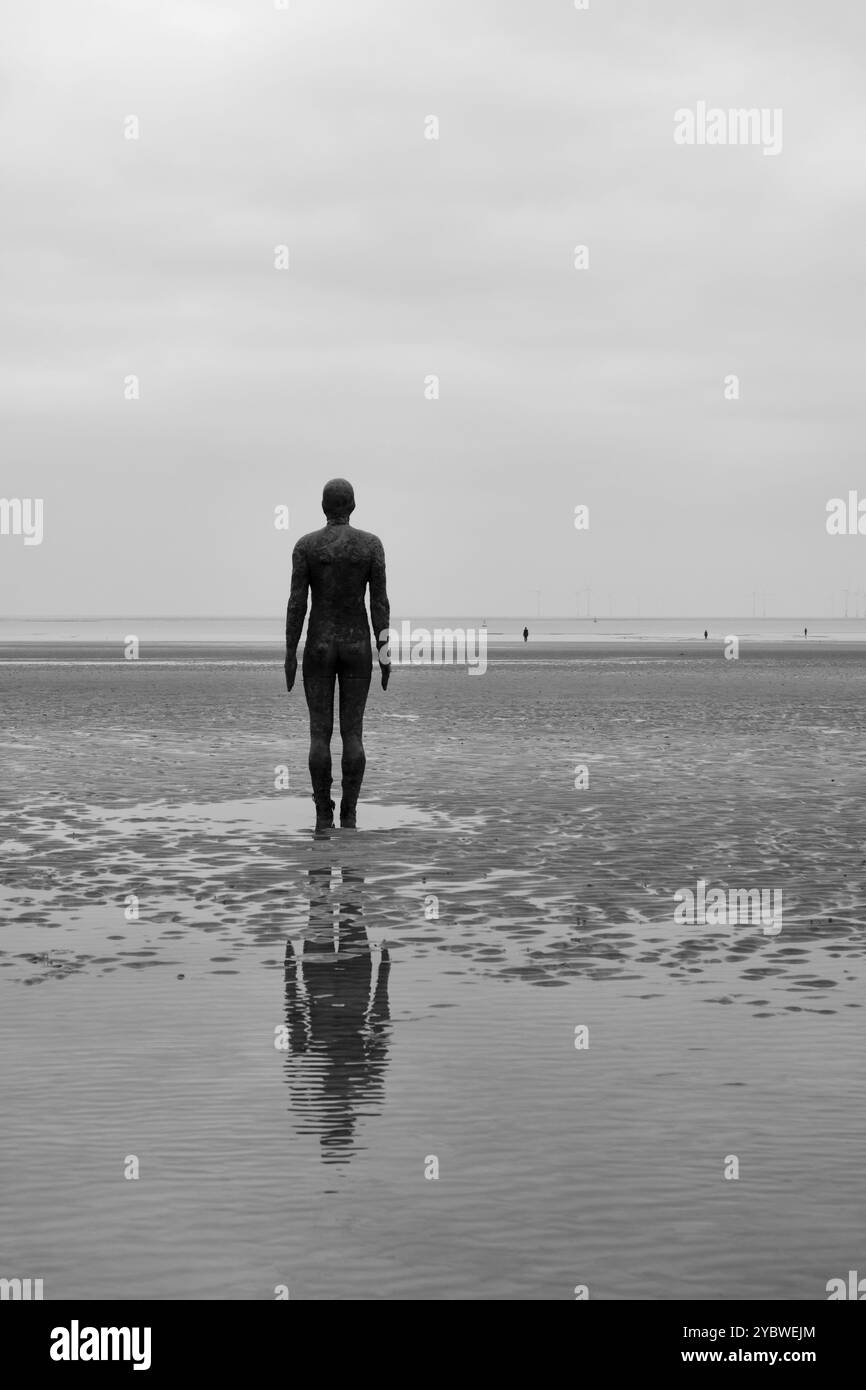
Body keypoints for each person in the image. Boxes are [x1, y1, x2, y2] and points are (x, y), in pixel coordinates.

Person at [285, 479, 390, 831]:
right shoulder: (370, 545)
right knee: (353, 735)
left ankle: (321, 812)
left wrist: (290, 651)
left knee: (319, 735)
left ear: (323, 507)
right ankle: (349, 811)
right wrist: (384, 651)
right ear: (353, 506)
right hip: (357, 644)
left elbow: (297, 604)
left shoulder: (306, 546)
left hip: (319, 643)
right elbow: (379, 604)